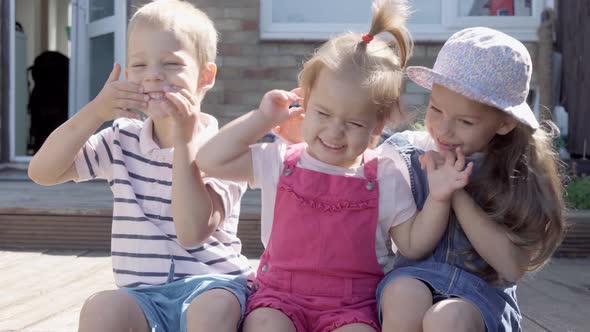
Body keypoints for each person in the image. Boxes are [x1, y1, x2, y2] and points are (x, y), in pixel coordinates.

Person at [197, 1, 473, 331]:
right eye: (323, 114)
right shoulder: (281, 160)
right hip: (279, 299)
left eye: (354, 123)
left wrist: (439, 198)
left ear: (376, 126)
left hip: (352, 307)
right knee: (265, 326)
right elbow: (209, 160)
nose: (334, 131)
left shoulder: (384, 174)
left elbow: (413, 243)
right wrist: (262, 118)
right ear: (306, 102)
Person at [27, 1, 253, 331]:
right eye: (139, 65)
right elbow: (42, 172)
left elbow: (192, 231)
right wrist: (96, 112)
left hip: (214, 284)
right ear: (128, 74)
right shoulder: (120, 139)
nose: (154, 75)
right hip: (141, 296)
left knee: (211, 309)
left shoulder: (223, 149)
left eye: (171, 64)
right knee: (102, 307)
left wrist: (185, 141)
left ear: (205, 76)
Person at [375, 27, 567, 332]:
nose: (444, 130)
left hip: (480, 299)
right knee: (403, 293)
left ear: (504, 123)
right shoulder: (407, 156)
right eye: (436, 109)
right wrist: (437, 197)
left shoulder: (514, 170)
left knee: (447, 317)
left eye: (465, 121)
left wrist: (457, 193)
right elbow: (409, 247)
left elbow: (511, 267)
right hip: (415, 276)